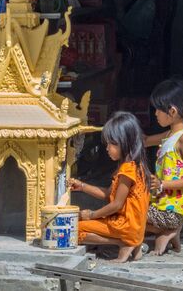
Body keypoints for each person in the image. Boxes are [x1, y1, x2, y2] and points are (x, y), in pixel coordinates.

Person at [68, 111, 150, 262]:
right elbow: (108, 193)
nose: (107, 148)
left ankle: (122, 243)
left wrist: (91, 215)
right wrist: (82, 186)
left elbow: (116, 205)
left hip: (125, 226)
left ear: (126, 143)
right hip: (135, 227)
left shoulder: (127, 170)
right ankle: (133, 243)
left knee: (72, 229)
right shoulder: (136, 166)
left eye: (112, 144)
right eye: (107, 144)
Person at [145, 78, 183, 255]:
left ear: (172, 111)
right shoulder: (170, 134)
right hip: (162, 203)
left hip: (173, 210)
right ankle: (169, 233)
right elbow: (145, 141)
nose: (155, 113)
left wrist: (162, 184)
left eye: (158, 109)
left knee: (130, 215)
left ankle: (168, 231)